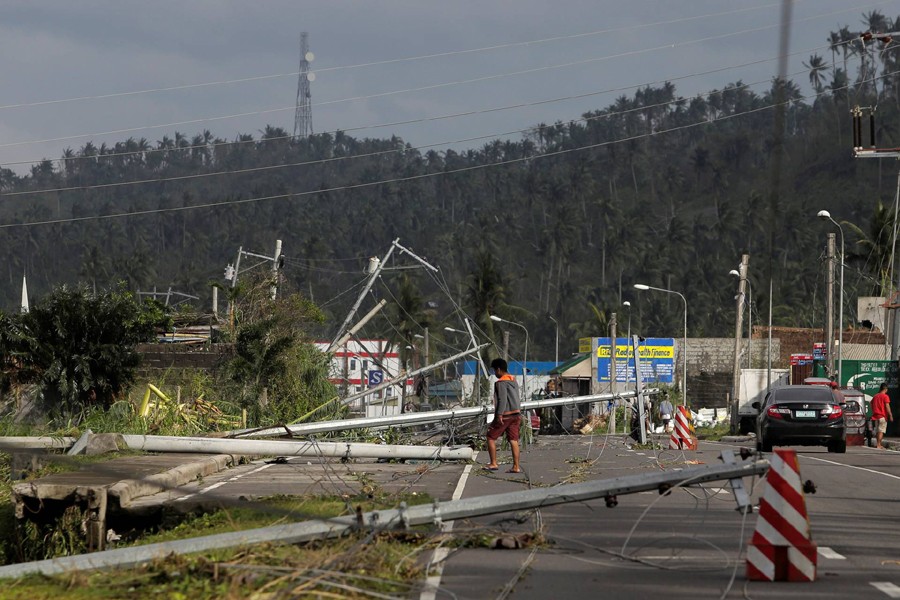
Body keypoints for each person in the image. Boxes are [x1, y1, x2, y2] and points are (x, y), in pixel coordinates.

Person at [485, 358, 522, 473]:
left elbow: (502, 399)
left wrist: (499, 415)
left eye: (495, 371)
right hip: (516, 414)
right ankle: (516, 466)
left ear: (499, 369)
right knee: (513, 439)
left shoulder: (501, 383)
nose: (495, 373)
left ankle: (493, 463)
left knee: (490, 437)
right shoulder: (513, 380)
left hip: (505, 415)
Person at [871, 383, 894, 449]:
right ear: (885, 389)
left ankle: (878, 444)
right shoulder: (885, 396)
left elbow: (871, 404)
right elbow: (887, 406)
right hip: (882, 416)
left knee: (878, 431)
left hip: (875, 416)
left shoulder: (875, 396)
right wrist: (890, 415)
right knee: (881, 431)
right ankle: (878, 444)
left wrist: (875, 410)